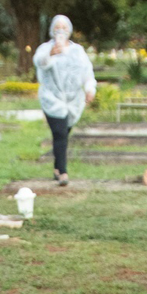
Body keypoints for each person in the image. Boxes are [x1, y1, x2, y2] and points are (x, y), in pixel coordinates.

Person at [32, 14, 95, 186]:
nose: (61, 30)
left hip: (73, 100)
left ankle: (56, 168)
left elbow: (87, 72)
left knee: (63, 134)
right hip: (52, 98)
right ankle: (63, 173)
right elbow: (39, 61)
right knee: (60, 133)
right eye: (57, 27)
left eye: (64, 27)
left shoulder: (78, 51)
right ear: (52, 29)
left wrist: (90, 88)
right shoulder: (46, 48)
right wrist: (50, 54)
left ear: (70, 30)